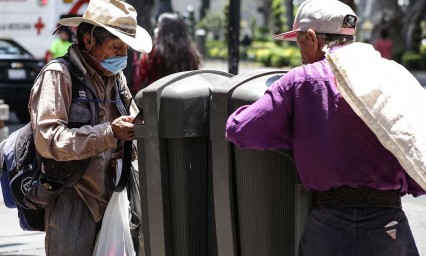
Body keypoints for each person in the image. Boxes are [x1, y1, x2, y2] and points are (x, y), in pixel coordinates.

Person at [225, 0, 423, 255]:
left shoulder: (300, 80)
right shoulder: (393, 74)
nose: (300, 53)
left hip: (329, 226)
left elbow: (240, 129)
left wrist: (296, 132)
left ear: (312, 38)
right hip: (389, 226)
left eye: (299, 43)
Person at [27, 0, 152, 255]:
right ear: (88, 40)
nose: (123, 56)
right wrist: (109, 133)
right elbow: (49, 139)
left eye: (126, 48)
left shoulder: (116, 78)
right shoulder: (58, 75)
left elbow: (133, 119)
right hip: (73, 200)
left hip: (115, 198)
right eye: (116, 47)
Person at [132, 12, 202, 95]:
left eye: (158, 26)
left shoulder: (153, 53)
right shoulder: (191, 53)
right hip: (185, 99)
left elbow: (140, 76)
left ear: (162, 30)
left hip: (155, 100)